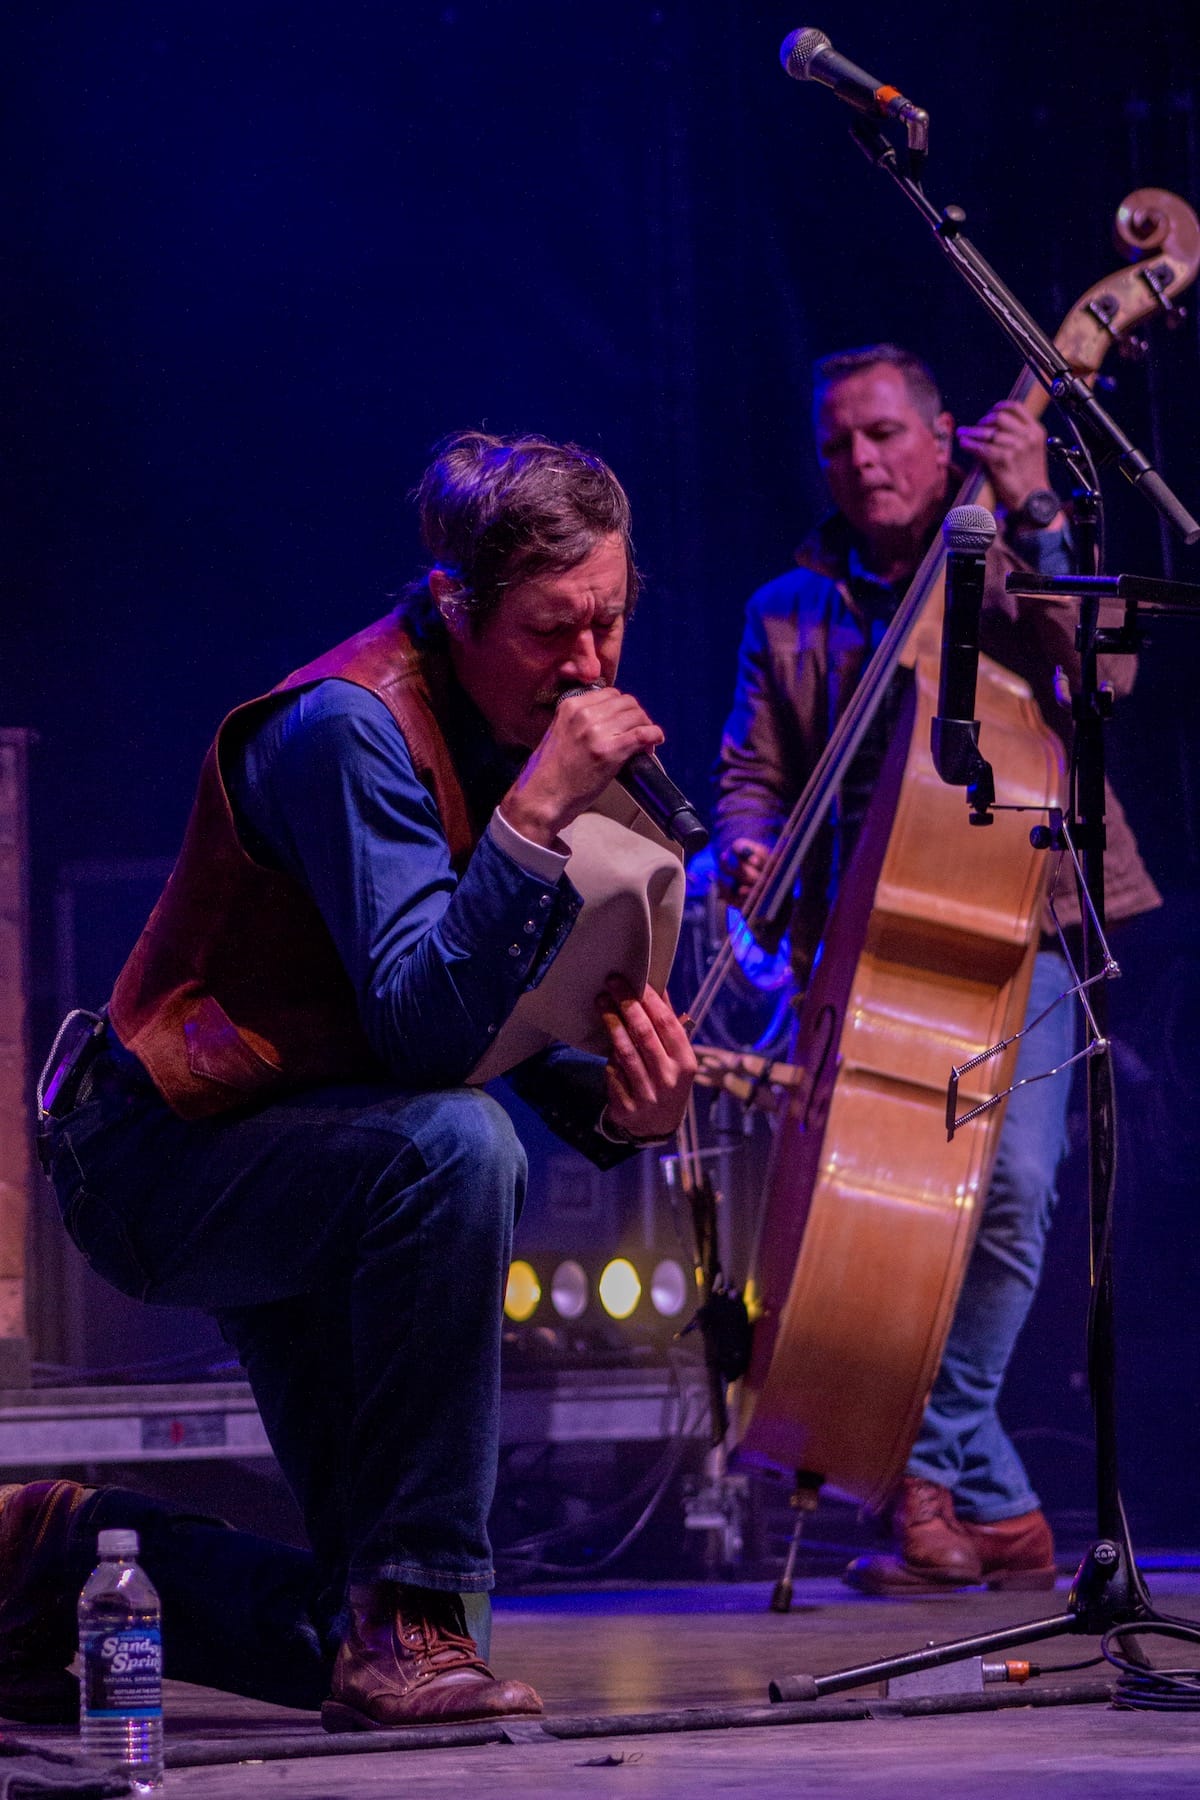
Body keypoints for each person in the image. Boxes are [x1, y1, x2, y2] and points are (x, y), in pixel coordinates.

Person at [39, 430, 697, 1728]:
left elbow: (502, 1020)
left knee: (375, 1624)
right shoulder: (352, 728)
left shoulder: (508, 730)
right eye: (549, 629)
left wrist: (629, 1111)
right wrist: (534, 820)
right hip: (160, 1152)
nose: (587, 664)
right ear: (455, 604)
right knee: (460, 1147)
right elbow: (423, 1035)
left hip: (321, 1139)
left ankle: (48, 1563)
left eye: (610, 622)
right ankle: (406, 1623)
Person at [715, 345, 1160, 1594]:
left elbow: (1109, 673)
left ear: (944, 432)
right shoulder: (786, 608)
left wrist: (1038, 510)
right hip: (864, 948)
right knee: (880, 1224)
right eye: (838, 444)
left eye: (884, 434)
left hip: (1023, 921)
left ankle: (923, 1465)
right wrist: (747, 848)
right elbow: (750, 776)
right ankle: (999, 1508)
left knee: (1013, 1191)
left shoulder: (1013, 559)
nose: (861, 461)